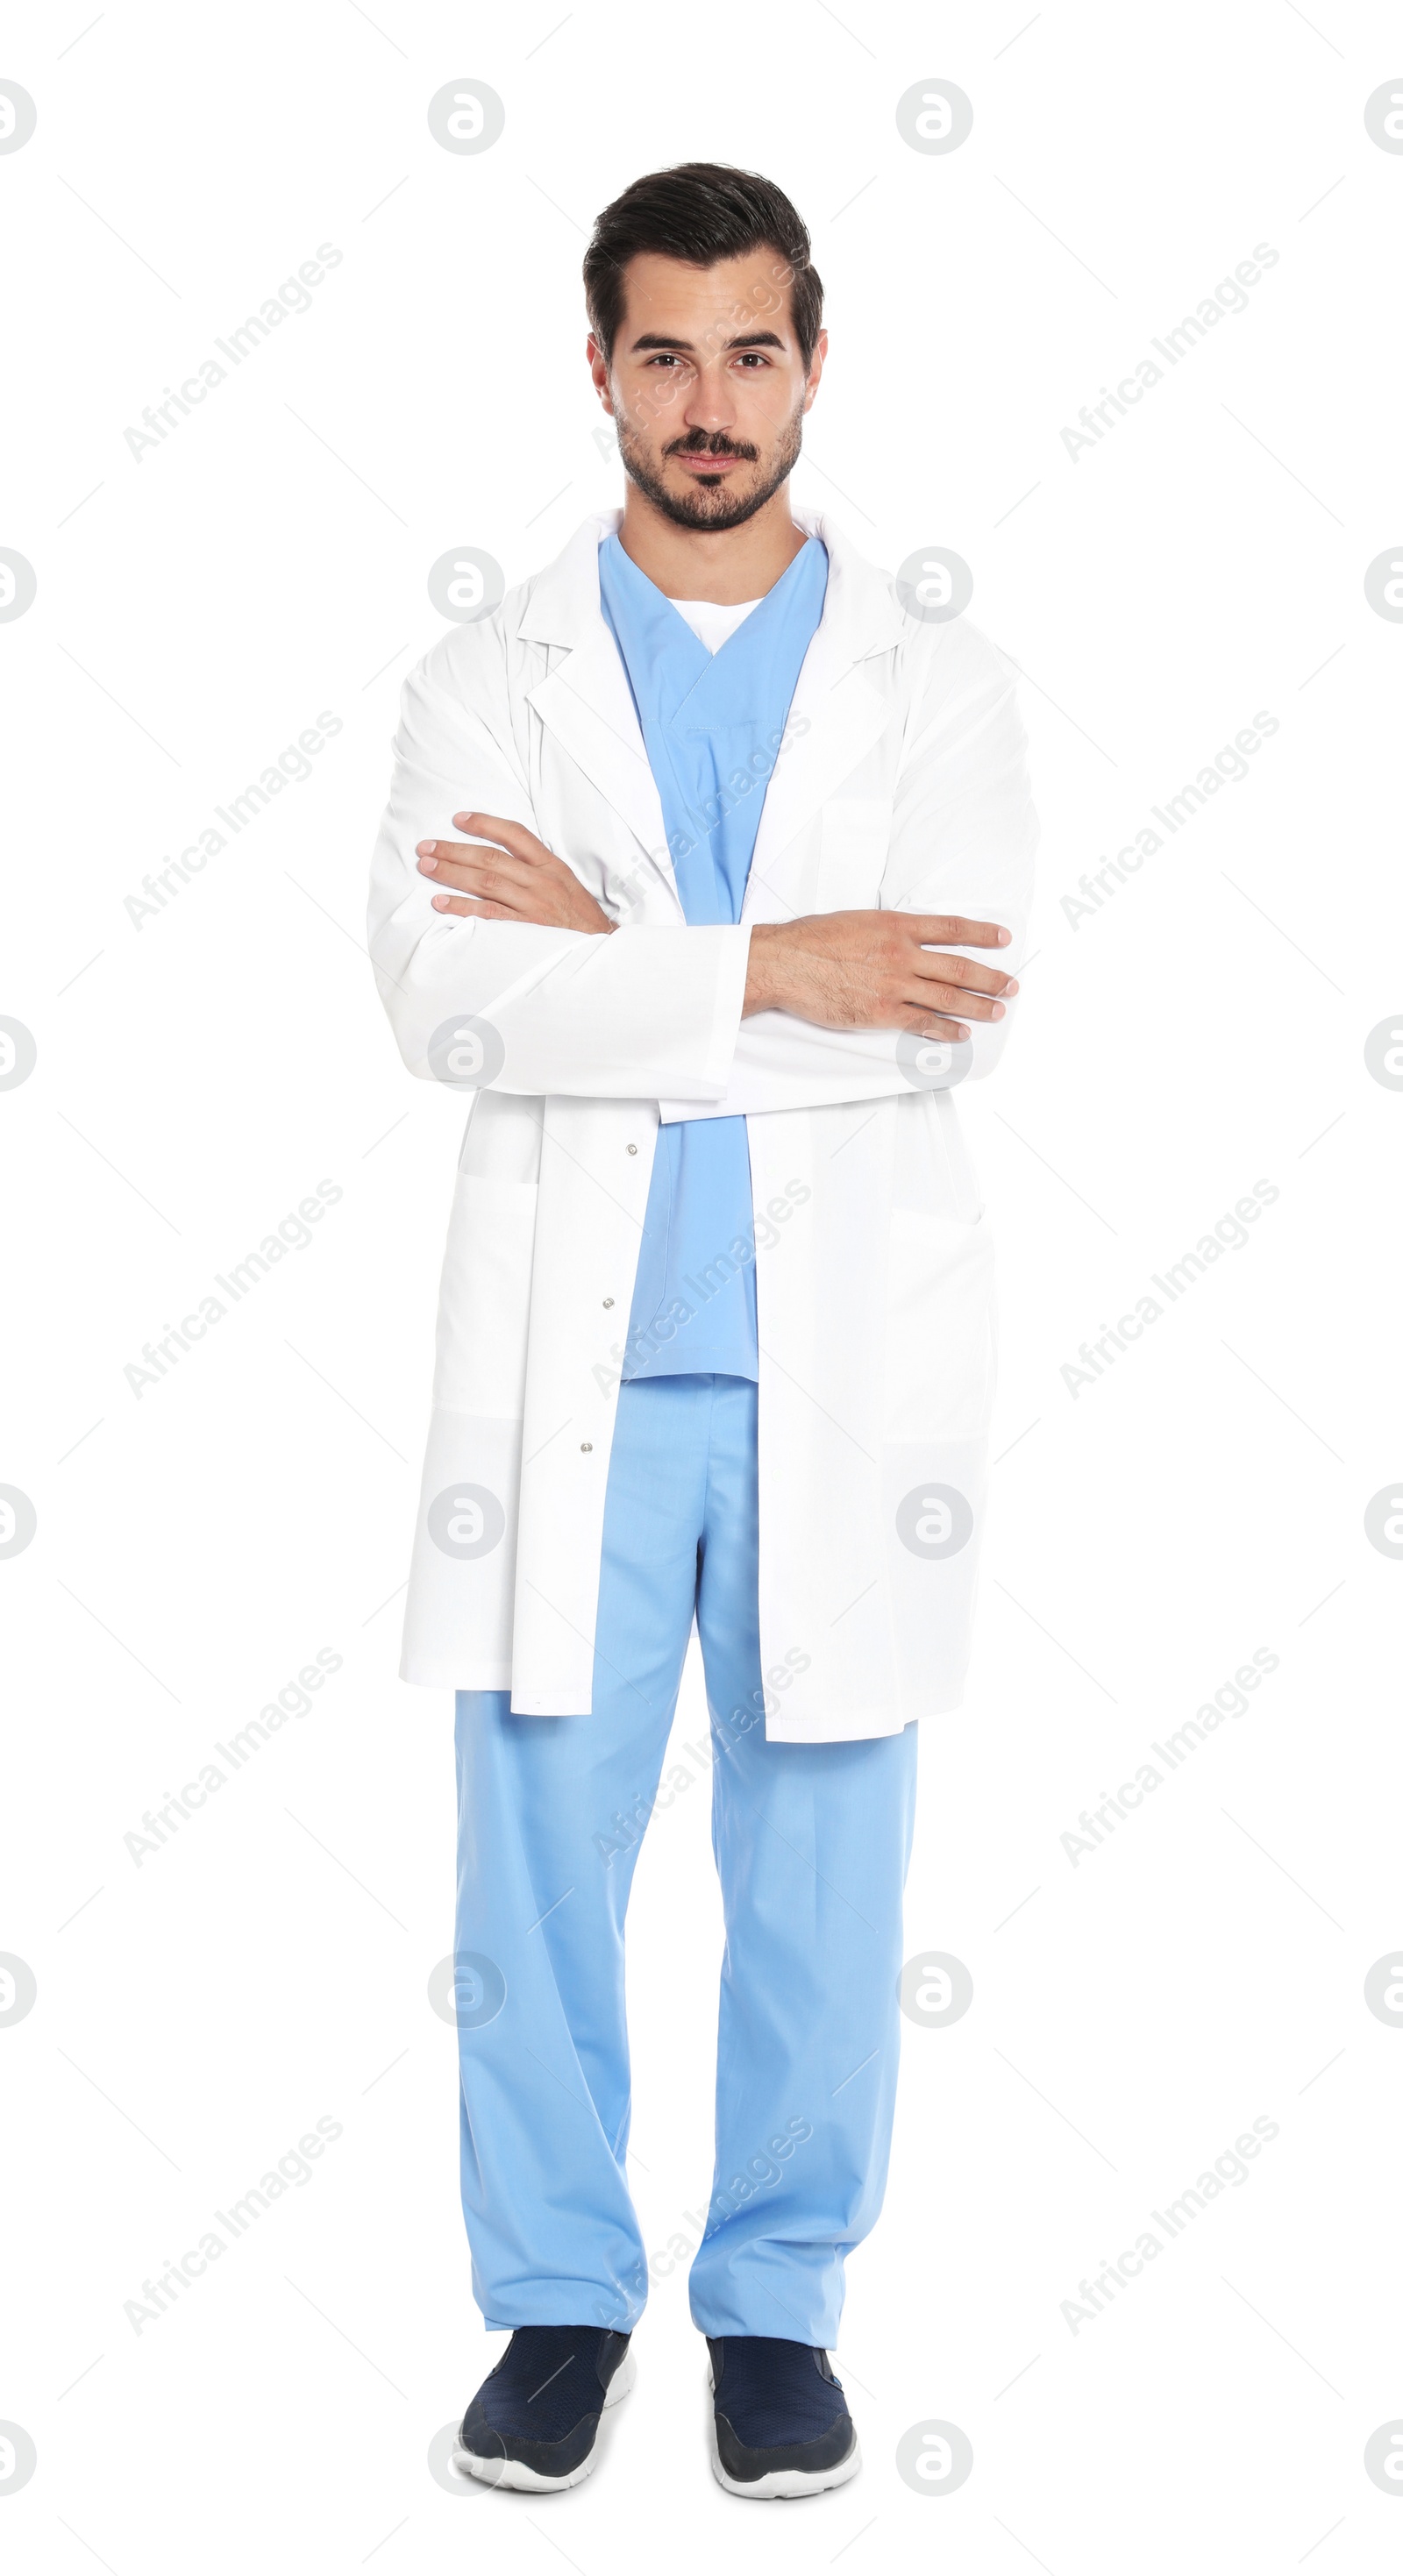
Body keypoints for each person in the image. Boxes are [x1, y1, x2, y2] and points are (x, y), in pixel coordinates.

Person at [368, 160, 1036, 2498]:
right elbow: (450, 998)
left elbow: (938, 1019)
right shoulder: (490, 672)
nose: (711, 398)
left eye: (754, 348)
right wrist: (771, 958)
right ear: (599, 371)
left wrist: (621, 956)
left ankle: (776, 2307)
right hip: (574, 1372)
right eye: (664, 349)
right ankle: (559, 2300)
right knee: (531, 1868)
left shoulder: (936, 677)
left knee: (822, 1875)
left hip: (837, 1373)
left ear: (814, 362)